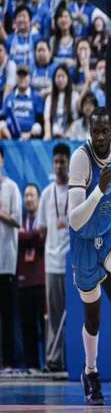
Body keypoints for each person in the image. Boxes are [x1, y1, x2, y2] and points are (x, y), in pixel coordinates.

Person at [68, 107, 111, 404]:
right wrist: (99, 190)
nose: (100, 137)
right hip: (85, 241)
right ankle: (91, 372)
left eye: (104, 131)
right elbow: (74, 219)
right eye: (95, 131)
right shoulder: (80, 159)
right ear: (89, 131)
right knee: (93, 317)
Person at [37, 144, 71, 373]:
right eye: (56, 162)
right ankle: (53, 359)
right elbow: (42, 229)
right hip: (52, 262)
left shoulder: (76, 191)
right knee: (54, 314)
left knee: (74, 314)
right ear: (53, 164)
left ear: (69, 163)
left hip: (72, 263)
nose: (59, 166)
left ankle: (74, 359)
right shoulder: (47, 193)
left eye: (62, 162)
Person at [17, 183, 45, 372]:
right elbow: (19, 238)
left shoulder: (43, 221)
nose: (28, 199)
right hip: (23, 281)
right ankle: (32, 365)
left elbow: (42, 238)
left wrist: (28, 236)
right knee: (27, 326)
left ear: (39, 199)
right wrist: (33, 236)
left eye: (32, 195)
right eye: (26, 195)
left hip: (41, 280)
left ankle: (50, 363)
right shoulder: (20, 221)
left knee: (45, 325)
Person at [0, 145, 22, 369]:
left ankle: (8, 362)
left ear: (2, 161)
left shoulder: (12, 188)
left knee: (7, 316)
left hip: (6, 263)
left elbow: (18, 221)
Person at [2, 64, 45, 139]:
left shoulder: (36, 96)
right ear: (16, 78)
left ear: (30, 78)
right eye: (20, 76)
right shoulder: (9, 96)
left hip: (31, 134)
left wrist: (29, 134)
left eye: (24, 76)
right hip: (11, 134)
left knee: (37, 127)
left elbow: (40, 120)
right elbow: (4, 117)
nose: (22, 78)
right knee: (1, 124)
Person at [44, 65, 79, 139]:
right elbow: (47, 119)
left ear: (68, 78)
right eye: (58, 76)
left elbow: (75, 120)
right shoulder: (49, 98)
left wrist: (68, 134)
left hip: (70, 137)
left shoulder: (74, 96)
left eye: (63, 76)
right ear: (54, 79)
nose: (60, 79)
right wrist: (47, 135)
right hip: (53, 137)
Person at [0, 40, 16, 109]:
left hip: (7, 101)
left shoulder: (11, 65)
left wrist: (3, 110)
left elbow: (8, 89)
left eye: (0, 50)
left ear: (5, 51)